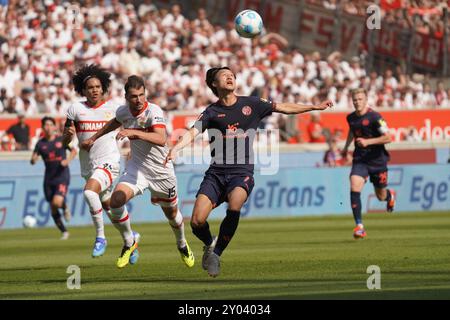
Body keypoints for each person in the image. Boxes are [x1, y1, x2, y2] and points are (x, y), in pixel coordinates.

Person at [164, 67, 333, 277]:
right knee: (197, 222)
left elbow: (284, 107)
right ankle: (210, 243)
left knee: (234, 207)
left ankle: (216, 254)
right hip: (216, 173)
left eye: (232, 75)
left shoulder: (251, 104)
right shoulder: (211, 112)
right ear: (214, 84)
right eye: (224, 75)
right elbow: (192, 132)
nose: (230, 77)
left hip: (241, 170)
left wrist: (313, 107)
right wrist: (175, 149)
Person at [80, 75, 194, 269]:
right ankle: (129, 241)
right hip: (137, 168)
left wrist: (134, 133)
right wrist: (94, 138)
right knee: (116, 201)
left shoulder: (153, 111)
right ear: (126, 96)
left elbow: (161, 139)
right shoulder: (124, 112)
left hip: (161, 171)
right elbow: (114, 122)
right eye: (134, 96)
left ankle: (182, 244)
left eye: (142, 95)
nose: (139, 99)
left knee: (172, 214)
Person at [63, 64, 140, 257]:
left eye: (97, 86)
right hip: (88, 166)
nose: (94, 90)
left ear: (103, 87)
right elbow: (65, 141)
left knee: (89, 193)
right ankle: (130, 239)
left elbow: (133, 126)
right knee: (112, 209)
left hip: (109, 162)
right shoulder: (75, 109)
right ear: (83, 90)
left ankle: (100, 237)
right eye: (90, 87)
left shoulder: (115, 109)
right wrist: (67, 135)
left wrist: (132, 148)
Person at [341, 88, 396, 239]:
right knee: (354, 185)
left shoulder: (375, 117)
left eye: (360, 99)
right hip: (360, 159)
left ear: (366, 100)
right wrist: (346, 148)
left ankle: (389, 196)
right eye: (355, 100)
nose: (357, 102)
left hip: (378, 160)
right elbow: (352, 131)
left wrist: (368, 141)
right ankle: (359, 226)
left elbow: (388, 138)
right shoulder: (351, 118)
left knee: (380, 195)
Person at [31, 116, 77, 240]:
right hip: (48, 178)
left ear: (55, 127)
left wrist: (67, 161)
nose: (48, 127)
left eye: (51, 125)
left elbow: (74, 151)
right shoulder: (40, 143)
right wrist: (33, 159)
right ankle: (64, 231)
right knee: (53, 206)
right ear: (42, 127)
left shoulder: (61, 139)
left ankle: (65, 207)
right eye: (46, 125)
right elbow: (34, 157)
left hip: (62, 175)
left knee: (56, 202)